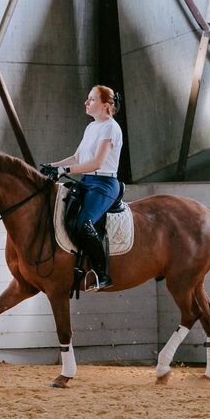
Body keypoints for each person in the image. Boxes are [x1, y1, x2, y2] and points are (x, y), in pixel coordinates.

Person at [41, 85, 123, 290]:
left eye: (92, 99)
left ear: (106, 105)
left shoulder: (111, 128)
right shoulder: (91, 127)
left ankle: (102, 273)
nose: (86, 103)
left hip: (104, 184)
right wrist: (52, 166)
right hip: (87, 181)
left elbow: (96, 163)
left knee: (83, 223)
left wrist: (64, 170)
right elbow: (77, 157)